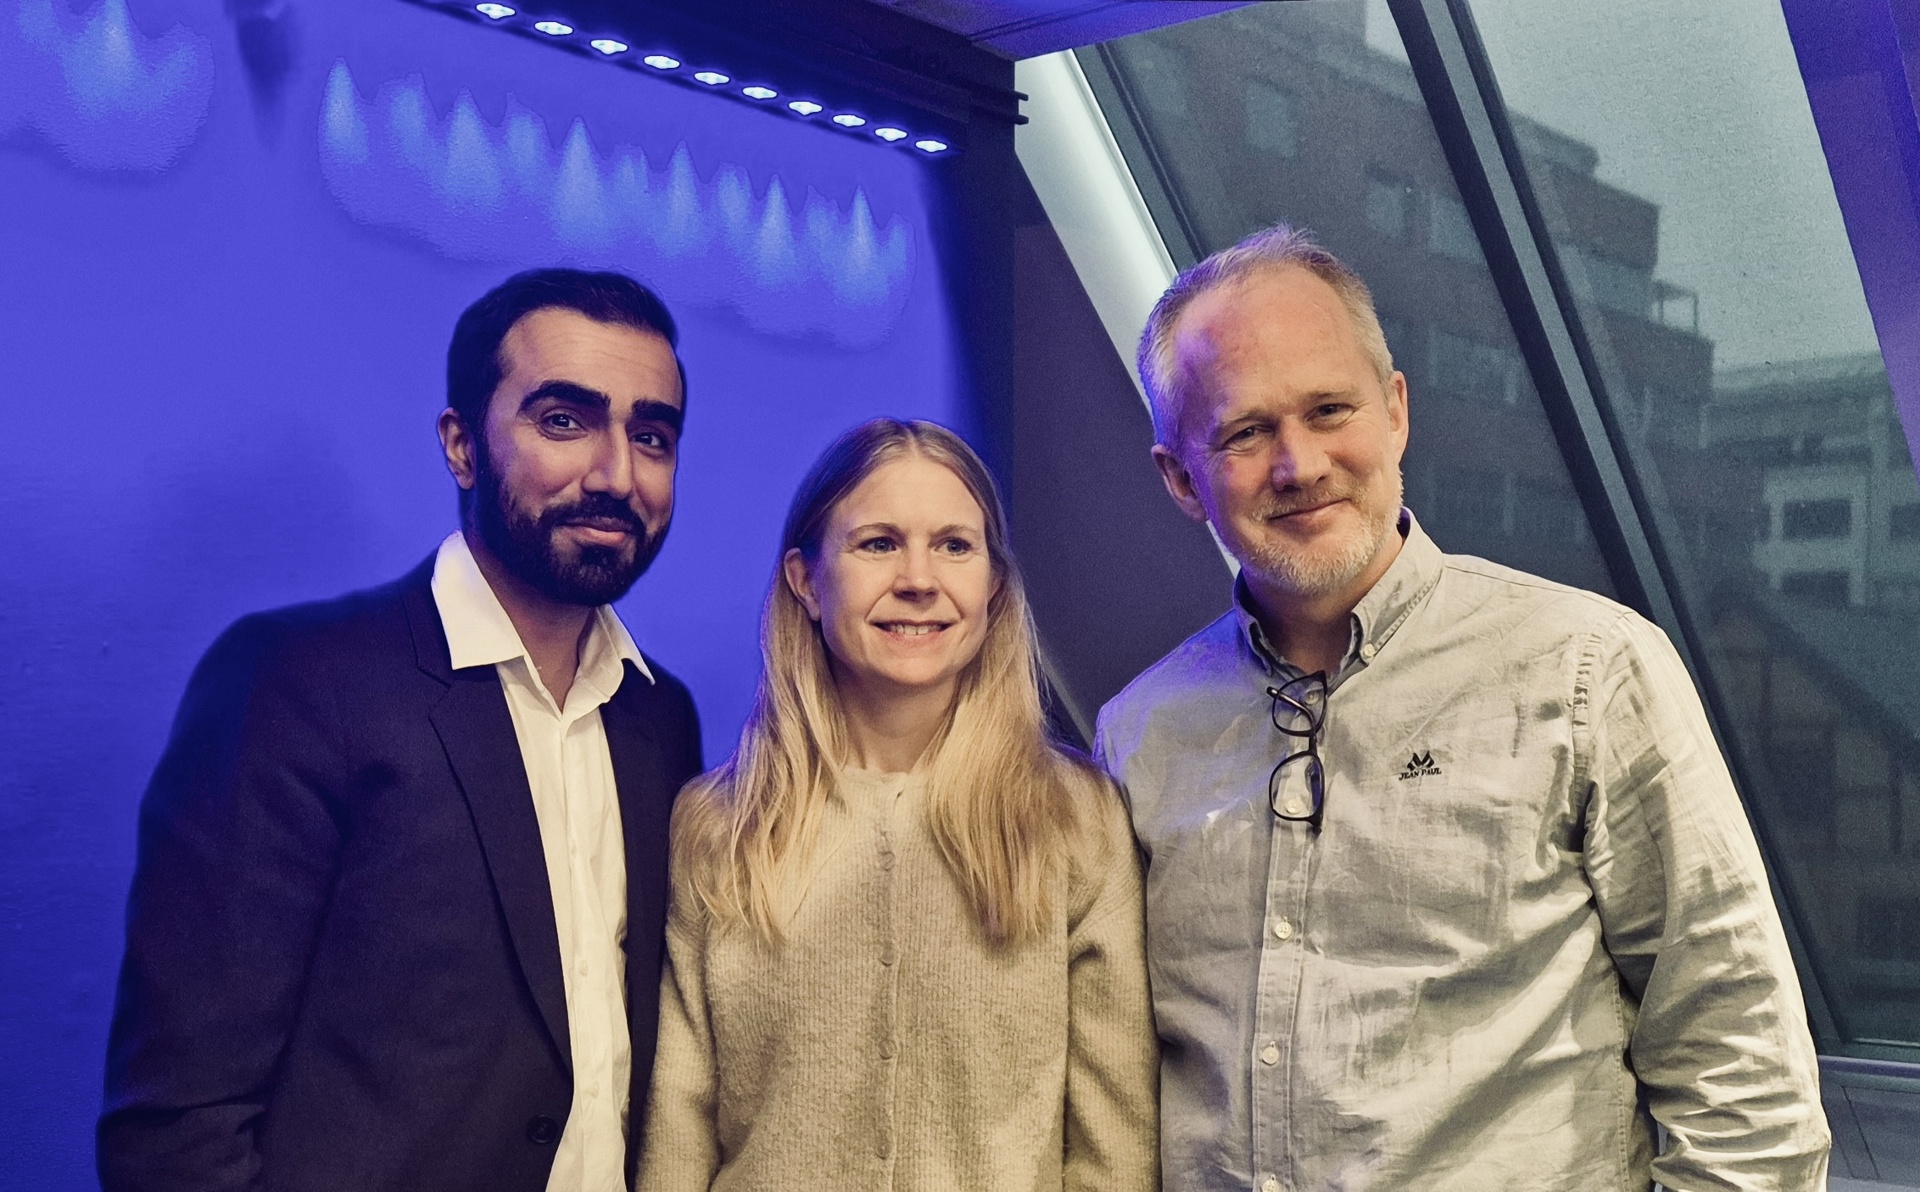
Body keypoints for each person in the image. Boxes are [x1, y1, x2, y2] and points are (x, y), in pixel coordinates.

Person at [1095, 225, 1830, 1190]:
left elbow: (1745, 1077)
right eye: (1244, 431)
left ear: (1395, 412)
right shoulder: (1139, 736)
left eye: (1330, 409)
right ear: (1181, 478)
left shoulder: (1589, 672)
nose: (1299, 463)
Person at [99, 268, 704, 1192]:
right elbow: (178, 1125)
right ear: (462, 446)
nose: (616, 473)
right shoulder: (297, 681)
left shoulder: (660, 716)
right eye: (563, 421)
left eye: (650, 435)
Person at [637, 418, 1158, 1191]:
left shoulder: (1077, 820)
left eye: (954, 545)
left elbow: (1115, 1145)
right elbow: (678, 1129)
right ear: (807, 581)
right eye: (878, 543)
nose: (920, 578)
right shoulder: (716, 826)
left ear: (992, 585)